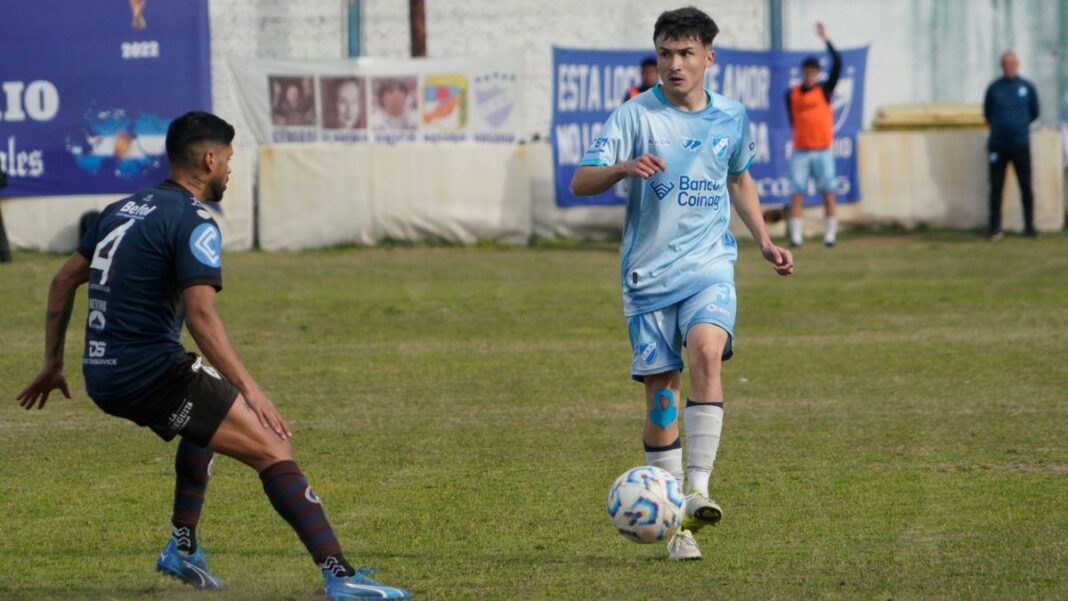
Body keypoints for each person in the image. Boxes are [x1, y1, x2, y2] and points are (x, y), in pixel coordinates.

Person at [16, 111, 409, 601]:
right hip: (152, 374)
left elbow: (61, 280)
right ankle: (340, 576)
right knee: (273, 447)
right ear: (208, 159)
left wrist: (52, 363)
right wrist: (252, 389)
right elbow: (201, 317)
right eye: (227, 158)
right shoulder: (194, 218)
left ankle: (182, 547)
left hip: (102, 375)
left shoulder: (119, 209)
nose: (229, 168)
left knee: (205, 420)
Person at [570, 7, 793, 561]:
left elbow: (739, 178)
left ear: (708, 58)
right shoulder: (633, 116)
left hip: (710, 266)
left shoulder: (732, 117)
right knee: (662, 402)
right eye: (666, 54)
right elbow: (580, 180)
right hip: (648, 279)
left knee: (708, 353)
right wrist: (622, 168)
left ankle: (699, 488)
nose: (674, 65)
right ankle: (677, 528)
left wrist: (762, 241)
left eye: (686, 53)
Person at [784, 22, 841, 248]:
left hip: (823, 150)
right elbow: (793, 121)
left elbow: (838, 63)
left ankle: (830, 236)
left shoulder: (824, 90)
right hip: (801, 150)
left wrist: (826, 39)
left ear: (817, 73)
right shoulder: (792, 94)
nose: (810, 75)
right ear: (802, 72)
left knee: (828, 192)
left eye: (814, 72)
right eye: (807, 71)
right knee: (797, 193)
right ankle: (796, 237)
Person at [984, 50, 1039, 239]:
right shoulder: (994, 88)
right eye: (1005, 63)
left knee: (1026, 186)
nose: (1008, 66)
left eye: (1011, 63)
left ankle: (1029, 227)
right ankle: (995, 228)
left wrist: (1017, 126)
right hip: (998, 145)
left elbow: (1034, 112)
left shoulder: (1027, 87)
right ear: (1002, 66)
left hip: (1020, 144)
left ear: (1017, 64)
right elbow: (988, 113)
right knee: (996, 186)